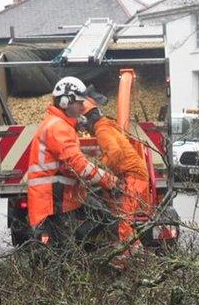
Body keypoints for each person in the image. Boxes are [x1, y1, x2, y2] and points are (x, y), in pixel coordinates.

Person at [27, 77, 118, 244]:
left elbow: (71, 166)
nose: (83, 107)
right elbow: (76, 164)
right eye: (79, 103)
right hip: (52, 202)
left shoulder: (63, 125)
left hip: (60, 198)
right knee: (62, 251)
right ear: (65, 102)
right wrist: (108, 180)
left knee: (101, 215)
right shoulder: (58, 127)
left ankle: (83, 251)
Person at [79, 99, 151, 250]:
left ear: (88, 120)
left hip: (134, 175)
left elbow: (115, 152)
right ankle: (137, 254)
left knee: (123, 219)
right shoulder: (107, 126)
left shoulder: (101, 130)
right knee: (122, 217)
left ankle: (124, 257)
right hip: (130, 175)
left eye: (84, 125)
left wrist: (98, 168)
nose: (85, 130)